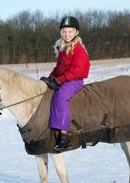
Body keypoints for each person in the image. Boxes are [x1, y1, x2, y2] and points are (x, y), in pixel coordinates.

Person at [41, 16, 90, 152]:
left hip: (74, 81)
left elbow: (76, 70)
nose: (66, 34)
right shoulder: (62, 48)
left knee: (61, 96)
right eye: (64, 31)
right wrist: (50, 78)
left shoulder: (78, 49)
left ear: (76, 33)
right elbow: (59, 68)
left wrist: (60, 80)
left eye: (70, 31)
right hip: (64, 78)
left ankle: (63, 135)